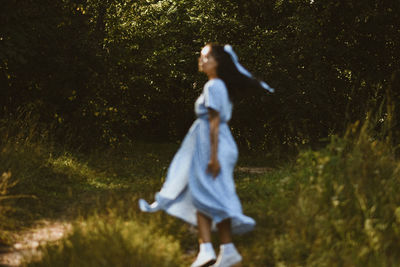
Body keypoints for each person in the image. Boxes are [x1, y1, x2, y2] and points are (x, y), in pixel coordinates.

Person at [139, 43, 274, 267]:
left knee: (207, 195)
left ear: (218, 62)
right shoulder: (219, 85)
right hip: (215, 144)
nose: (201, 61)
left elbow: (213, 122)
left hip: (213, 145)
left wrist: (213, 157)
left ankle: (211, 250)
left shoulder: (214, 86)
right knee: (205, 195)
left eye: (206, 57)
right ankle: (218, 249)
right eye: (201, 57)